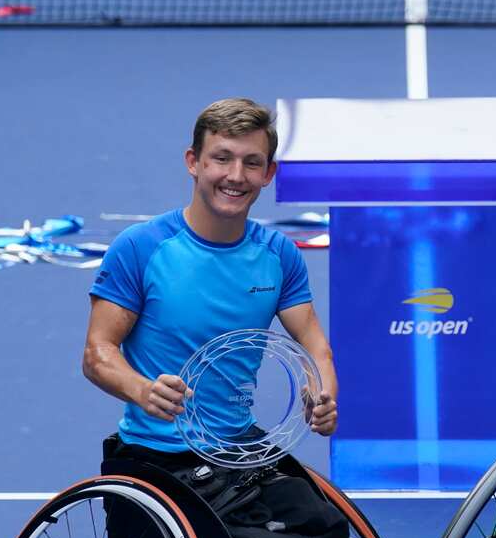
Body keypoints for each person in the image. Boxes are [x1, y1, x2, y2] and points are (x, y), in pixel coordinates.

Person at [83, 97, 338, 468]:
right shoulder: (140, 247)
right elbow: (96, 353)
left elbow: (317, 348)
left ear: (268, 174)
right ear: (194, 163)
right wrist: (142, 389)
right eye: (222, 158)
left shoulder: (279, 255)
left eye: (252, 163)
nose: (236, 175)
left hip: (238, 448)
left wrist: (322, 394)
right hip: (157, 456)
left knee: (325, 526)